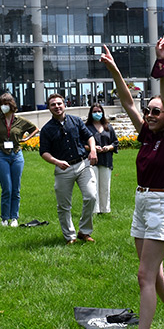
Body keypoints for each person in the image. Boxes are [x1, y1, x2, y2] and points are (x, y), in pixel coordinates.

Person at [101, 32, 164, 329]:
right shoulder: (147, 135)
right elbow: (128, 101)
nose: (151, 114)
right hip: (142, 203)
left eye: (156, 112)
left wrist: (163, 63)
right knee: (155, 275)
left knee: (145, 274)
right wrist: (114, 69)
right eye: (150, 111)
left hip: (161, 205)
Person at [39, 93, 98, 243]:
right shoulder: (46, 129)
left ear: (65, 105)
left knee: (91, 196)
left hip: (83, 165)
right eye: (53, 105)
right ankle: (70, 236)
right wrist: (56, 162)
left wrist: (92, 150)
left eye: (59, 103)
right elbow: (44, 152)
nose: (57, 107)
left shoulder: (76, 121)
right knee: (64, 205)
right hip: (63, 169)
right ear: (49, 108)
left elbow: (89, 136)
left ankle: (84, 232)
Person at [0, 93, 39, 227]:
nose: (4, 106)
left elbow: (35, 129)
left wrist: (27, 139)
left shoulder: (20, 121)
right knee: (7, 188)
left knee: (16, 188)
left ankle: (14, 218)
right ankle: (4, 218)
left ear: (12, 105)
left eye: (6, 104)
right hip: (1, 154)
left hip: (16, 154)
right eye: (2, 104)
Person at [85, 103, 119, 214]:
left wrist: (108, 147)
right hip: (92, 161)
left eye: (99, 111)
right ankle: (95, 210)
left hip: (106, 160)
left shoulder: (108, 127)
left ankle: (105, 210)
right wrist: (92, 148)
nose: (97, 113)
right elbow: (81, 144)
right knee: (93, 186)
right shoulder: (86, 128)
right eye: (94, 111)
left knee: (105, 186)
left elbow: (115, 142)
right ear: (91, 113)